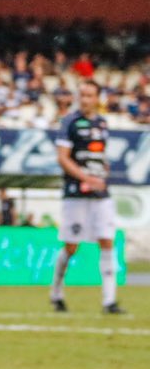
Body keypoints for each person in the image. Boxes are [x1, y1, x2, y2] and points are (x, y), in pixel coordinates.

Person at [49, 80, 124, 314]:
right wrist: (86, 178)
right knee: (71, 246)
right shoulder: (69, 122)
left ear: (98, 98)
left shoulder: (102, 123)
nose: (85, 99)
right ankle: (56, 292)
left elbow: (99, 155)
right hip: (75, 193)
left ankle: (109, 301)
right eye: (82, 95)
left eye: (90, 95)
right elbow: (63, 158)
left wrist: (103, 170)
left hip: (100, 192)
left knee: (107, 240)